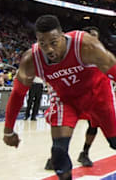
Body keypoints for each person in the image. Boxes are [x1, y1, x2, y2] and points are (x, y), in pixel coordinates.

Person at [3, 15, 116, 180]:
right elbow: (17, 94)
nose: (49, 49)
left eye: (53, 42)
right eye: (43, 44)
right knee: (58, 151)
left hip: (99, 95)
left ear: (62, 35)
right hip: (65, 100)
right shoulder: (31, 59)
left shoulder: (86, 45)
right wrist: (8, 130)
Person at [45, 26, 101, 170]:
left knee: (94, 124)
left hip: (88, 93)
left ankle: (85, 153)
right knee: (63, 123)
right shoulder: (66, 51)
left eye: (96, 37)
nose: (94, 40)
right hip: (67, 92)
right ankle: (56, 155)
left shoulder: (98, 55)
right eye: (91, 36)